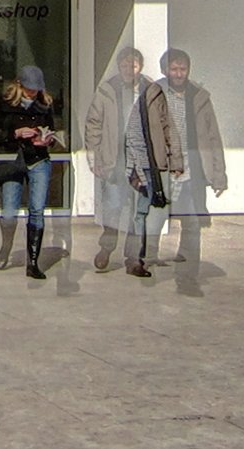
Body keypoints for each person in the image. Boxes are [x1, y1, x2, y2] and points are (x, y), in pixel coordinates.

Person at [83, 46, 184, 278]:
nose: (129, 69)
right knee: (113, 208)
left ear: (141, 67)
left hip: (145, 161)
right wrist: (94, 157)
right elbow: (93, 124)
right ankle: (107, 247)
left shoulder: (152, 91)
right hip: (115, 160)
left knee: (139, 213)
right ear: (119, 67)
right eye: (125, 65)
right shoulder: (107, 90)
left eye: (134, 65)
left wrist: (176, 159)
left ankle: (134, 259)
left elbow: (167, 125)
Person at [0, 63, 66, 281]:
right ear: (19, 85)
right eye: (29, 89)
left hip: (38, 159)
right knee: (9, 211)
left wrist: (46, 140)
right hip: (12, 160)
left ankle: (33, 262)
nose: (32, 93)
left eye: (36, 90)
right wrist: (15, 133)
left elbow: (50, 130)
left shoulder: (44, 104)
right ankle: (7, 244)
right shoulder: (5, 103)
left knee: (37, 209)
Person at [157, 48, 229, 268]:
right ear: (165, 70)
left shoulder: (199, 96)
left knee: (192, 214)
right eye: (174, 69)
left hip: (193, 162)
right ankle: (147, 256)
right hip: (164, 163)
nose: (179, 74)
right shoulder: (154, 94)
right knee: (155, 214)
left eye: (183, 69)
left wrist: (219, 175)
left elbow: (213, 136)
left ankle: (189, 258)